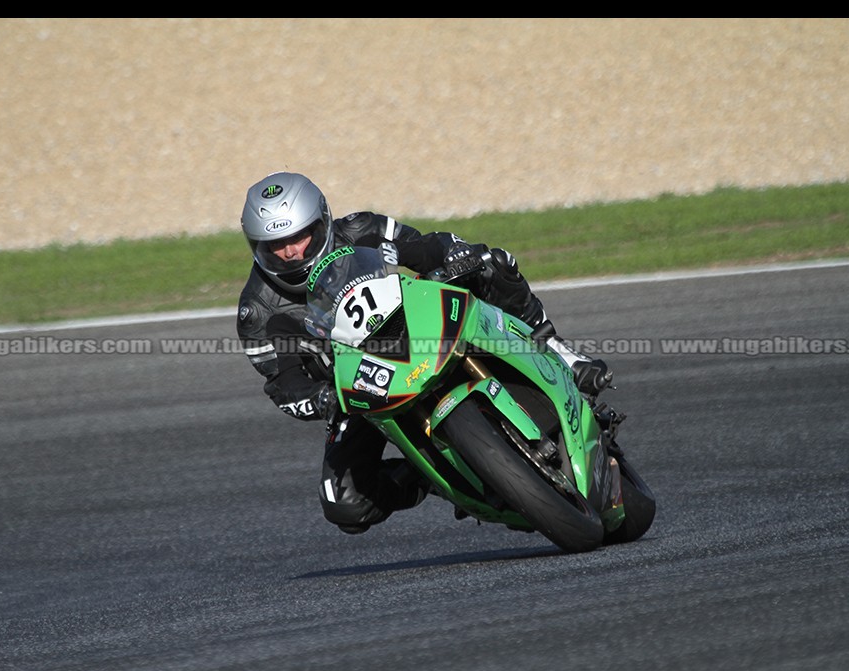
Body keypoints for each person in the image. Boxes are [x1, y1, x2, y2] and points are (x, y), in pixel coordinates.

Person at [237, 172, 613, 534]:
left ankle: (561, 353)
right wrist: (320, 399)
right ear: (256, 248)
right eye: (274, 246)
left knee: (493, 264)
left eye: (302, 236)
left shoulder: (362, 228)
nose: (290, 252)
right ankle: (430, 474)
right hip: (360, 389)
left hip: (418, 326)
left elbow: (427, 248)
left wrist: (458, 256)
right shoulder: (258, 313)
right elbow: (283, 385)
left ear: (323, 221)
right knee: (344, 503)